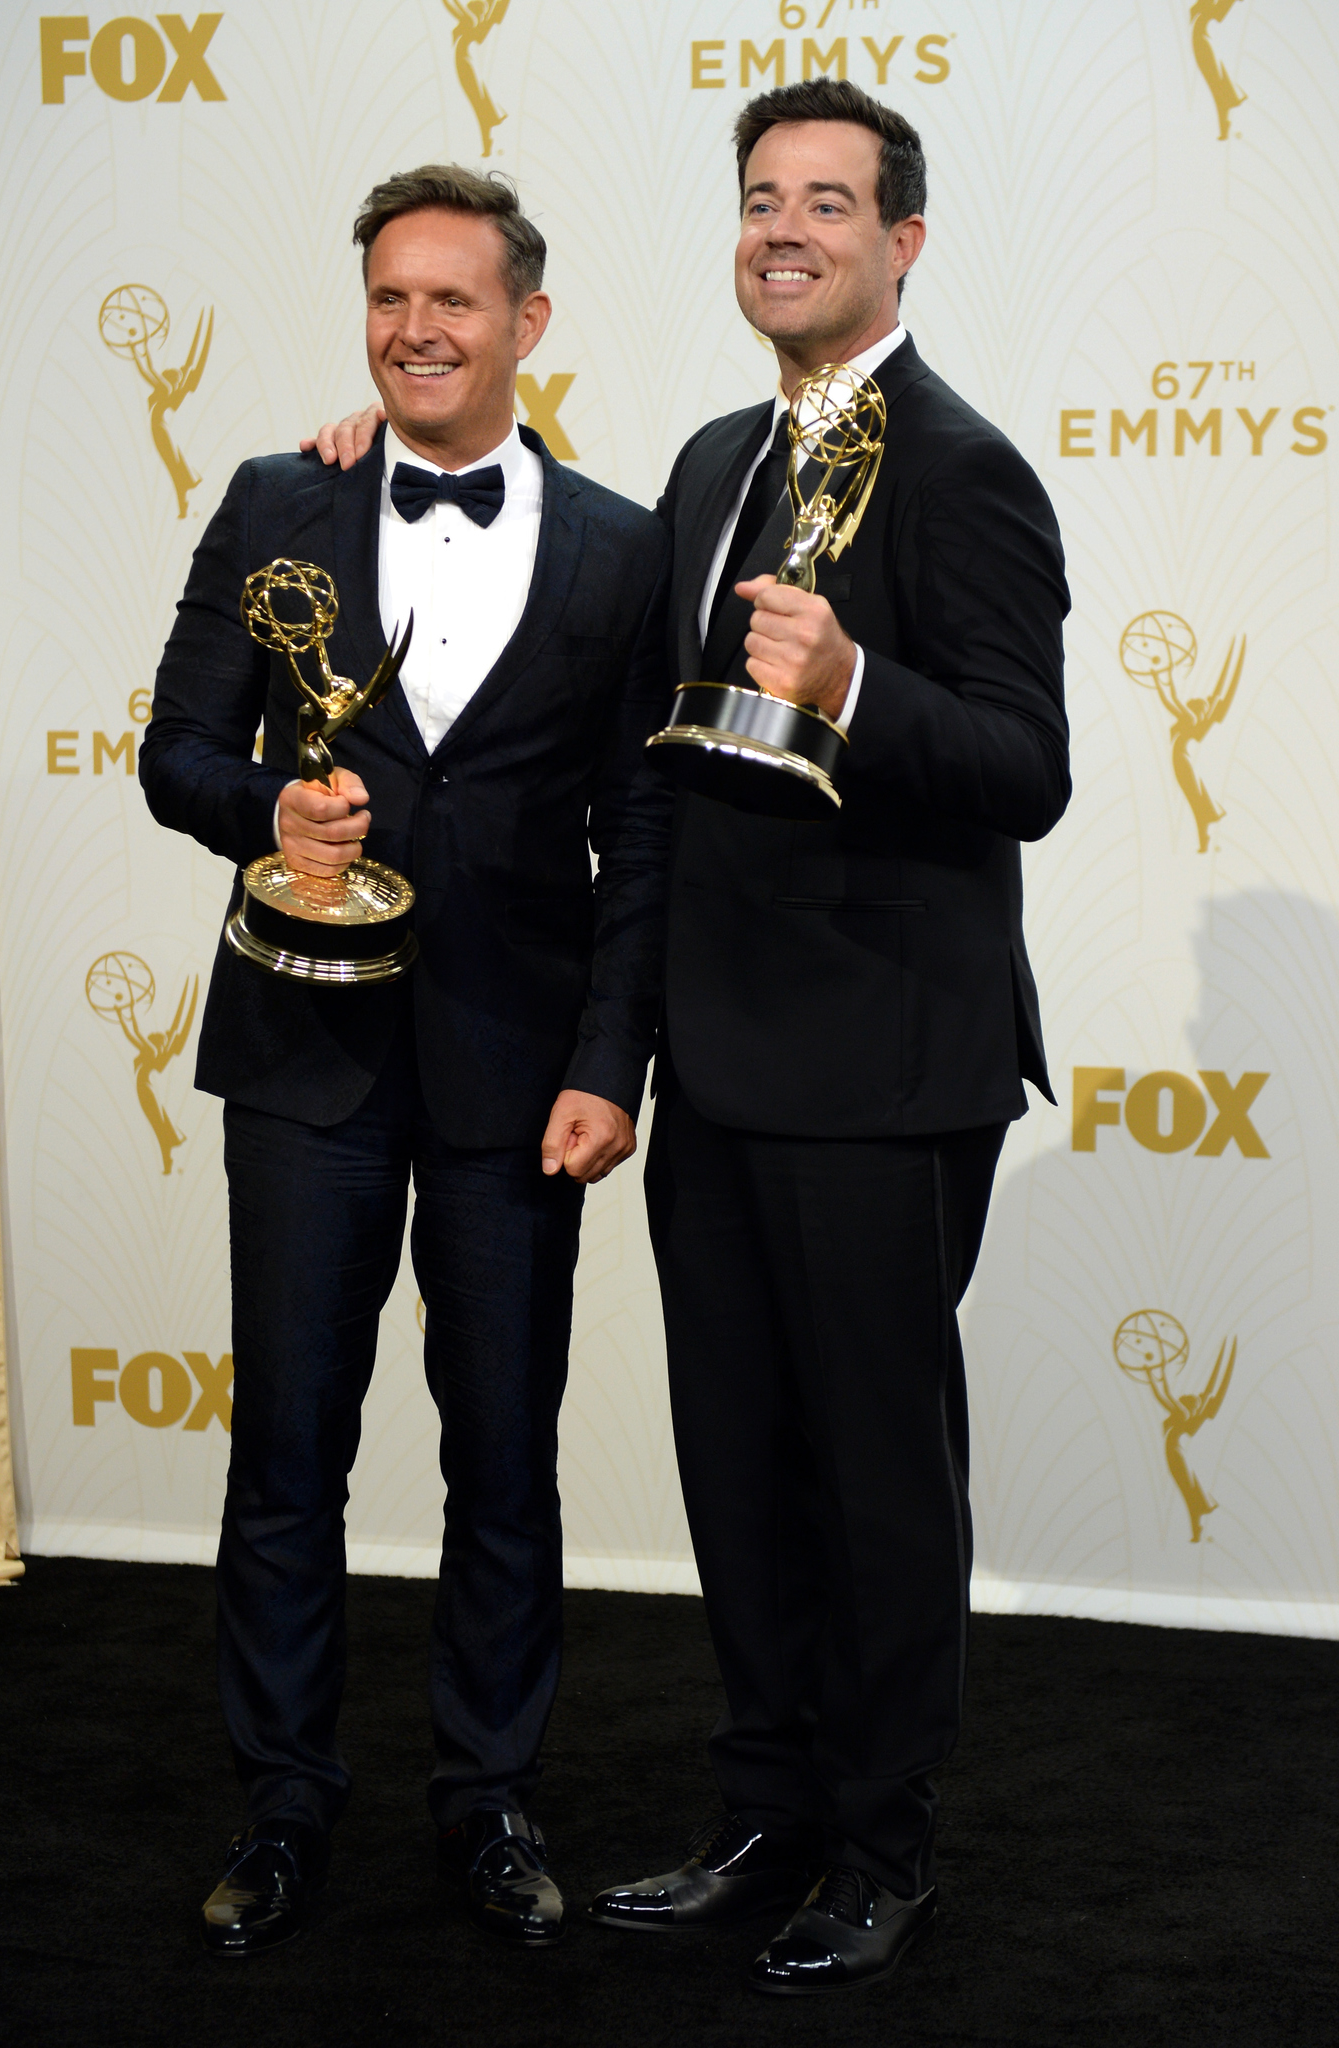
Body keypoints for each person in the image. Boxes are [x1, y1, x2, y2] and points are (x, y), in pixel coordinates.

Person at [311, 78, 1070, 1998]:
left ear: (904, 240)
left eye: (827, 199)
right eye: (758, 199)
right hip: (717, 1065)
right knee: (735, 1465)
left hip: (886, 1072)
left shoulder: (966, 467)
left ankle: (883, 1842)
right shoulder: (718, 450)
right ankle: (763, 1810)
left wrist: (856, 681)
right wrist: (366, 457)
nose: (783, 228)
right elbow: (642, 783)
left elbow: (1027, 769)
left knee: (872, 1478)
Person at [139, 164, 671, 1956]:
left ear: (529, 320)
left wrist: (614, 1061)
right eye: (389, 298)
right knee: (287, 1454)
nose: (417, 327)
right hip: (306, 1054)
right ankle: (283, 1809)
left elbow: (641, 832)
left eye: (453, 298)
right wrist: (264, 809)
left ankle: (488, 1796)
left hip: (520, 1078)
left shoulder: (621, 543)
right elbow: (175, 749)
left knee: (502, 1458)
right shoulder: (284, 498)